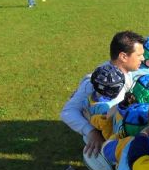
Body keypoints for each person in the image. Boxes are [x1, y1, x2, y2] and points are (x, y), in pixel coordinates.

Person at [61, 31, 144, 159]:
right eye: (139, 55)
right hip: (102, 142)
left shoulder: (126, 72)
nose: (143, 59)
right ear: (123, 56)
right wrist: (92, 132)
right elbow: (68, 112)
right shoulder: (94, 82)